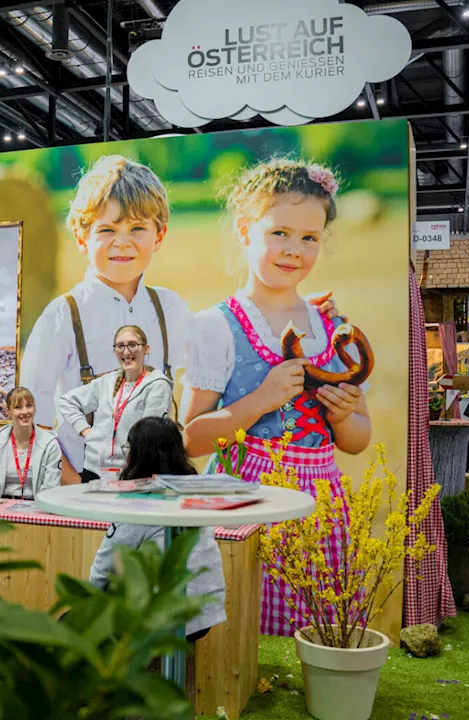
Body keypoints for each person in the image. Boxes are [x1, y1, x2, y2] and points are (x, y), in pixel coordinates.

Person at [179, 158, 367, 638]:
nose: (294, 250)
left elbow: (358, 440)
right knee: (241, 629)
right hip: (242, 498)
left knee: (317, 632)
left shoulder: (332, 326)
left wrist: (345, 416)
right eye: (279, 233)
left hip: (321, 503)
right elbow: (191, 440)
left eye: (310, 238)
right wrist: (258, 401)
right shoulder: (215, 326)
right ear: (245, 229)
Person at [20, 155, 192, 485]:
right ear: (82, 236)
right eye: (108, 229)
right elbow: (33, 423)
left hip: (161, 486)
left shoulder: (171, 308)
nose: (123, 242)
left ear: (160, 235)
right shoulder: (62, 316)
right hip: (85, 486)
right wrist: (77, 487)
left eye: (137, 228)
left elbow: (217, 363)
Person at [88, 416, 226, 641]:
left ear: (138, 454)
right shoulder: (195, 491)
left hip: (162, 616)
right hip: (204, 610)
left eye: (128, 448)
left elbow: (104, 569)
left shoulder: (138, 501)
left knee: (71, 623)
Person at [57, 326, 174, 482]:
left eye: (133, 345)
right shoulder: (107, 382)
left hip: (132, 472)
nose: (126, 352)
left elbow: (149, 437)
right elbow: (67, 401)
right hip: (93, 470)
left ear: (146, 349)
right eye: (120, 346)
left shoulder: (157, 385)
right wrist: (87, 432)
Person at [0, 387, 63, 499]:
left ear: (35, 409)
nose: (25, 412)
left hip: (37, 508)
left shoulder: (50, 446)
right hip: (0, 507)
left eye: (29, 406)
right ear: (8, 411)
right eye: (18, 407)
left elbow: (51, 489)